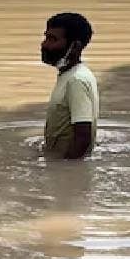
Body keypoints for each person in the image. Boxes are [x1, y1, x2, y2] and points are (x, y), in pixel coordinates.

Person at [40, 12, 99, 160]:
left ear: (75, 47)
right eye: (46, 37)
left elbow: (83, 138)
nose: (44, 44)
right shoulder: (69, 75)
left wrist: (63, 171)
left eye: (52, 39)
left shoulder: (76, 80)